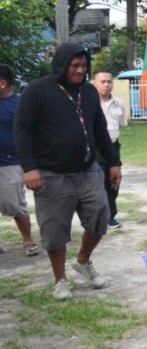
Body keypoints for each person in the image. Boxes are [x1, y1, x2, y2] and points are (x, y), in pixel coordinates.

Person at [13, 43, 121, 299]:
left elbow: (100, 130)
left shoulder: (89, 92)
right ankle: (60, 279)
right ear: (62, 64)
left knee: (100, 215)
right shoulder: (37, 90)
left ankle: (82, 261)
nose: (80, 70)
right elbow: (22, 130)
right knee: (55, 229)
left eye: (84, 65)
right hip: (50, 173)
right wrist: (29, 169)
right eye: (75, 65)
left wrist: (114, 162)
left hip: (88, 169)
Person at [0, 64, 38, 256]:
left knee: (15, 205)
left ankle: (28, 240)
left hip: (11, 163)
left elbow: (31, 133)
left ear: (2, 83)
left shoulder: (19, 105)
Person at [94, 71, 127, 229]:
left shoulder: (118, 103)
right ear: (95, 83)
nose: (106, 85)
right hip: (95, 148)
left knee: (113, 182)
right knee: (96, 182)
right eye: (103, 82)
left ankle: (110, 216)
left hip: (113, 146)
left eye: (109, 81)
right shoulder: (91, 103)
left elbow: (120, 123)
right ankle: (98, 217)